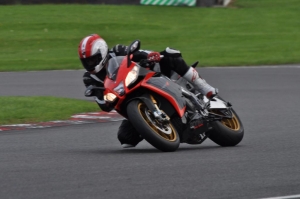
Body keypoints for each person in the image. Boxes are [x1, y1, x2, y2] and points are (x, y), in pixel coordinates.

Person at [78, 34, 218, 148]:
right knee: (125, 138)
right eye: (86, 61)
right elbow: (102, 103)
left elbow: (139, 53)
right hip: (126, 99)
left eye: (93, 59)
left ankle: (204, 88)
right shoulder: (89, 78)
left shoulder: (117, 51)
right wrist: (105, 99)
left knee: (170, 55)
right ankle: (156, 127)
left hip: (145, 78)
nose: (90, 64)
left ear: (102, 52)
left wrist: (151, 56)